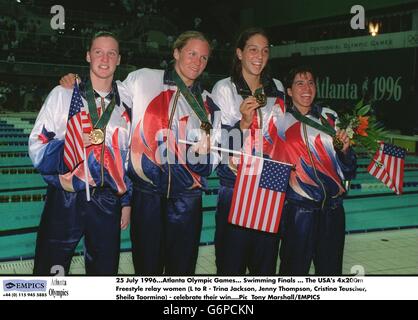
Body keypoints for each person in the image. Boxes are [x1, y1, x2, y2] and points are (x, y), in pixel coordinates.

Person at [61, 31, 220, 275]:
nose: (197, 62)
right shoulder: (144, 79)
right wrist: (79, 83)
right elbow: (108, 96)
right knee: (147, 271)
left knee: (182, 271)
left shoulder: (207, 103)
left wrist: (204, 157)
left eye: (204, 58)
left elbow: (217, 152)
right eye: (191, 53)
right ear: (176, 53)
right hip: (147, 198)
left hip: (187, 202)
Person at [29, 31, 132, 275]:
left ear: (119, 59)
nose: (104, 59)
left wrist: (126, 201)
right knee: (51, 269)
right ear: (88, 56)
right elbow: (36, 146)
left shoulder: (126, 102)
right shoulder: (63, 94)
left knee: (104, 273)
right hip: (66, 198)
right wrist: (71, 147)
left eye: (111, 53)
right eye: (98, 52)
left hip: (108, 199)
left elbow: (126, 158)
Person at [211, 27, 286, 275]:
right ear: (240, 53)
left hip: (269, 186)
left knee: (264, 269)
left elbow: (282, 139)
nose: (259, 55)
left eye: (265, 50)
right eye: (253, 49)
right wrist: (242, 124)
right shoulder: (224, 88)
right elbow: (219, 144)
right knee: (230, 267)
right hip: (235, 186)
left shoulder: (276, 88)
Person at [268, 66, 357, 275]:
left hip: (333, 212)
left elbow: (349, 169)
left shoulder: (330, 117)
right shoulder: (278, 121)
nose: (306, 88)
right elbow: (269, 163)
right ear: (289, 90)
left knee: (330, 273)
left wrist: (345, 152)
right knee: (293, 273)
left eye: (310, 83)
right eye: (299, 83)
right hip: (299, 213)